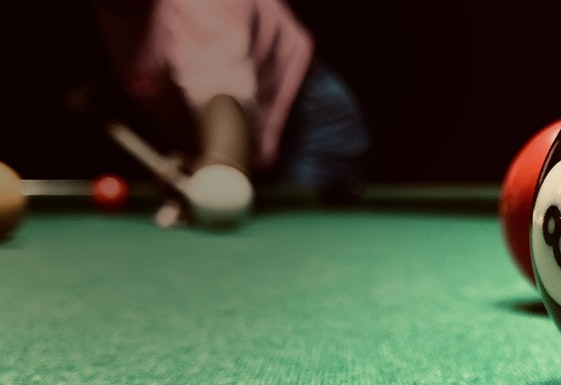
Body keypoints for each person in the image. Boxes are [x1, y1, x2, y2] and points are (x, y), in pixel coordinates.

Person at [81, 0, 370, 227]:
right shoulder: (107, 7)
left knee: (295, 248)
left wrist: (219, 166)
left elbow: (222, 92)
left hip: (306, 120)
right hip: (235, 126)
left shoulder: (205, 4)